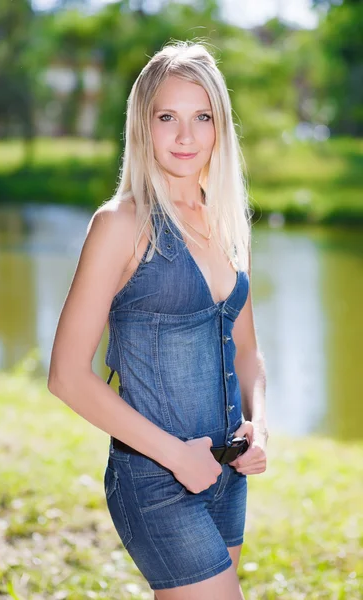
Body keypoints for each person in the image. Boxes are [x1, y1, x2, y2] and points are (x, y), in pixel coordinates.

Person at [48, 40, 268, 600]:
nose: (186, 136)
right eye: (167, 117)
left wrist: (257, 424)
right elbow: (67, 376)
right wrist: (176, 456)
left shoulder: (227, 225)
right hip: (155, 479)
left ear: (221, 127)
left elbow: (247, 351)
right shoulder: (120, 225)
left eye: (202, 118)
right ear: (143, 125)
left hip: (226, 475)